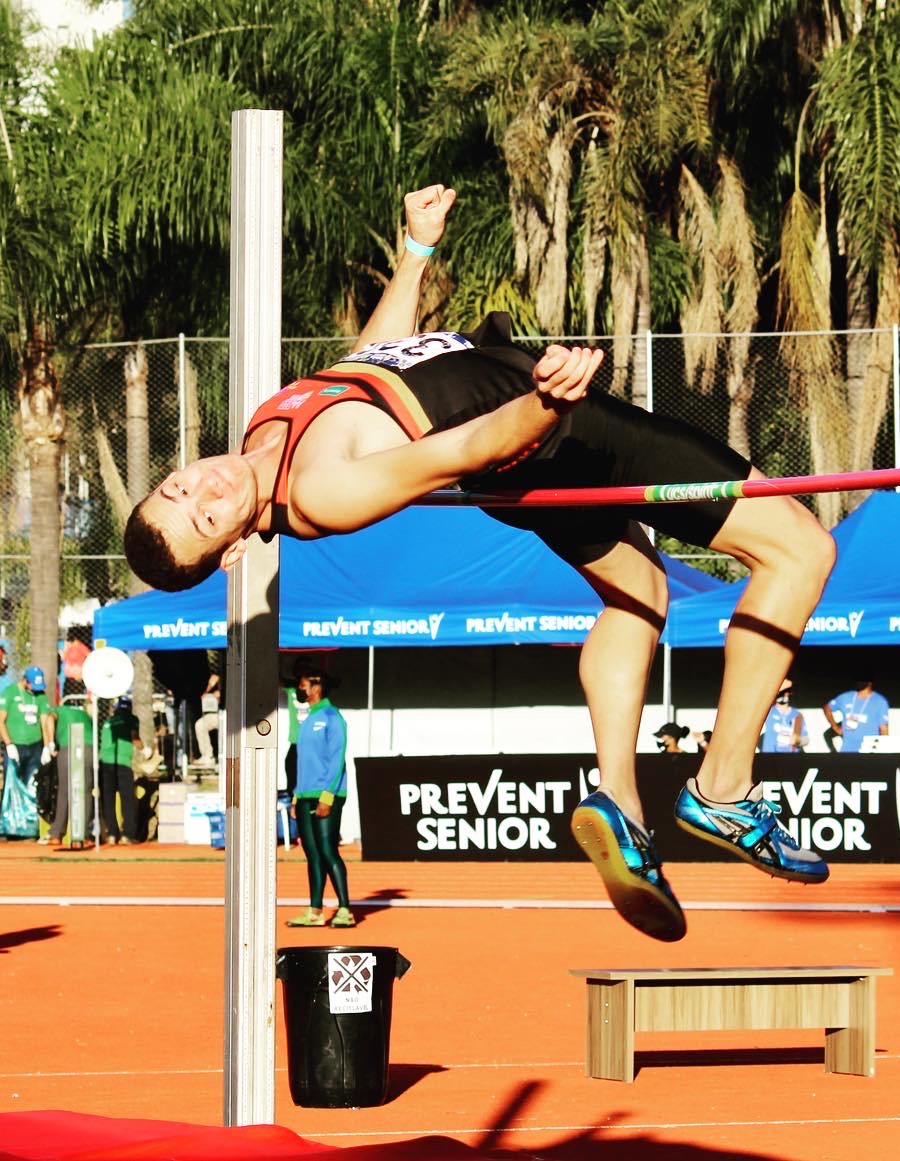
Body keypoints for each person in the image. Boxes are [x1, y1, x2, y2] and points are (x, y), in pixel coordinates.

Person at [123, 184, 835, 943]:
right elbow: (464, 450)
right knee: (800, 548)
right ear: (235, 546)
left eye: (181, 485)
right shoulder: (324, 491)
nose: (207, 486)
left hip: (532, 445)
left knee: (639, 594)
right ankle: (723, 784)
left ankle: (621, 807)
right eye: (205, 515)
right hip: (556, 434)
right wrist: (550, 398)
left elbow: (372, 364)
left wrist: (416, 251)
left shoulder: (267, 425)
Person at [284, 664, 354, 928]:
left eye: (303, 684)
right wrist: (296, 796)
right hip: (304, 795)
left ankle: (345, 908)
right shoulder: (308, 719)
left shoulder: (332, 717)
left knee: (327, 850)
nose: (300, 689)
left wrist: (328, 795)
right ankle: (314, 910)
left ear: (316, 686)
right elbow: (303, 763)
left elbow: (337, 760)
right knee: (312, 853)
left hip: (328, 794)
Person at [0, 665, 55, 840]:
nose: (35, 690)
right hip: (15, 746)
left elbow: (45, 722)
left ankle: (30, 827)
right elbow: (1, 720)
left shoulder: (41, 697)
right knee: (11, 784)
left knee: (33, 786)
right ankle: (7, 827)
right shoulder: (9, 693)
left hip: (35, 746)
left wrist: (46, 746)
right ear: (25, 680)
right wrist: (9, 744)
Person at [42, 699, 93, 848]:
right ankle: (82, 835)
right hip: (87, 747)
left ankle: (56, 833)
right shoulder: (85, 714)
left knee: (64, 791)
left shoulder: (59, 710)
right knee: (85, 792)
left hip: (68, 747)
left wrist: (50, 742)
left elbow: (50, 718)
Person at [97, 697, 142, 845]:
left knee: (108, 798)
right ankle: (127, 834)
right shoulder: (131, 718)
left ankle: (111, 833)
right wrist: (145, 749)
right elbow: (134, 737)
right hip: (122, 761)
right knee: (127, 798)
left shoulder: (108, 722)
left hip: (105, 761)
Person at [823, 679, 890, 753]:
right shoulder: (846, 697)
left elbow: (883, 729)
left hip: (869, 750)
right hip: (847, 750)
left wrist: (884, 751)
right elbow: (827, 708)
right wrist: (835, 726)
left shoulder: (879, 701)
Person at [762, 677, 806, 753]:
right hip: (770, 757)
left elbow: (804, 739)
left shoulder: (796, 714)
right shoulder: (768, 710)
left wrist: (797, 740)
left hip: (791, 757)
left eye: (786, 691)